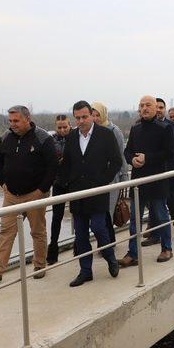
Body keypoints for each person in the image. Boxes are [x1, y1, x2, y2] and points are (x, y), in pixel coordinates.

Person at [0, 106, 57, 281]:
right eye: (10, 121)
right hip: (11, 195)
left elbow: (52, 168)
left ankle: (39, 265)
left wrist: (41, 191)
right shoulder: (6, 137)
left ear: (28, 119)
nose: (13, 124)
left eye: (16, 121)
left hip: (35, 194)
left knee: (37, 231)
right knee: (6, 230)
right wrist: (3, 184)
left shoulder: (43, 139)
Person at [60, 101, 123, 287]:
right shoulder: (71, 137)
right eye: (77, 118)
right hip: (77, 193)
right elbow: (67, 163)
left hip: (97, 191)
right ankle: (85, 271)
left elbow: (116, 161)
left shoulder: (105, 135)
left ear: (92, 115)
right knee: (80, 235)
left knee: (99, 227)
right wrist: (65, 182)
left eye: (84, 117)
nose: (81, 121)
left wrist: (103, 181)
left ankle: (110, 258)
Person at [119, 95, 174, 267]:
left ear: (155, 108)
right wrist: (132, 160)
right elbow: (127, 152)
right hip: (138, 181)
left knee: (161, 215)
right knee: (135, 219)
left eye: (148, 105)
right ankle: (133, 254)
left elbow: (169, 153)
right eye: (141, 105)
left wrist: (147, 158)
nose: (144, 108)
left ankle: (167, 248)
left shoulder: (165, 128)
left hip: (157, 179)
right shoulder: (135, 129)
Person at [141, 98, 174, 243]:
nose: (159, 110)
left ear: (164, 109)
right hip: (153, 172)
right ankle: (156, 235)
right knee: (154, 205)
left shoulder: (173, 126)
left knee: (173, 202)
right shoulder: (143, 126)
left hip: (170, 171)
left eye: (161, 107)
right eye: (157, 107)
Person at [91, 102, 129, 242]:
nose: (95, 118)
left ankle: (108, 243)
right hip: (95, 180)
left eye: (97, 115)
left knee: (108, 212)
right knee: (98, 214)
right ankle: (105, 242)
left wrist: (124, 178)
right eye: (92, 115)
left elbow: (121, 155)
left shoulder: (114, 130)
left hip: (112, 179)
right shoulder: (90, 132)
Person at [47, 114, 71, 265]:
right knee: (57, 217)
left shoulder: (76, 137)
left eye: (65, 127)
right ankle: (53, 250)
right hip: (58, 182)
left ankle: (80, 246)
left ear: (70, 125)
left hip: (75, 183)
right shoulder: (51, 141)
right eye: (59, 127)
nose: (62, 130)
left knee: (80, 215)